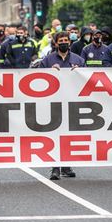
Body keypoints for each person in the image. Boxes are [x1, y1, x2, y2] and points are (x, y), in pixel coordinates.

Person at [39, 31, 84, 180]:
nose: (64, 42)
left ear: (70, 42)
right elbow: (37, 79)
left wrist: (80, 72)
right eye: (61, 40)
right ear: (56, 43)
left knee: (68, 135)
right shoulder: (48, 60)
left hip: (72, 103)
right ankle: (55, 168)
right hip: (54, 103)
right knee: (55, 135)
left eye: (66, 40)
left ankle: (65, 165)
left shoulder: (78, 60)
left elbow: (88, 80)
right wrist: (49, 72)